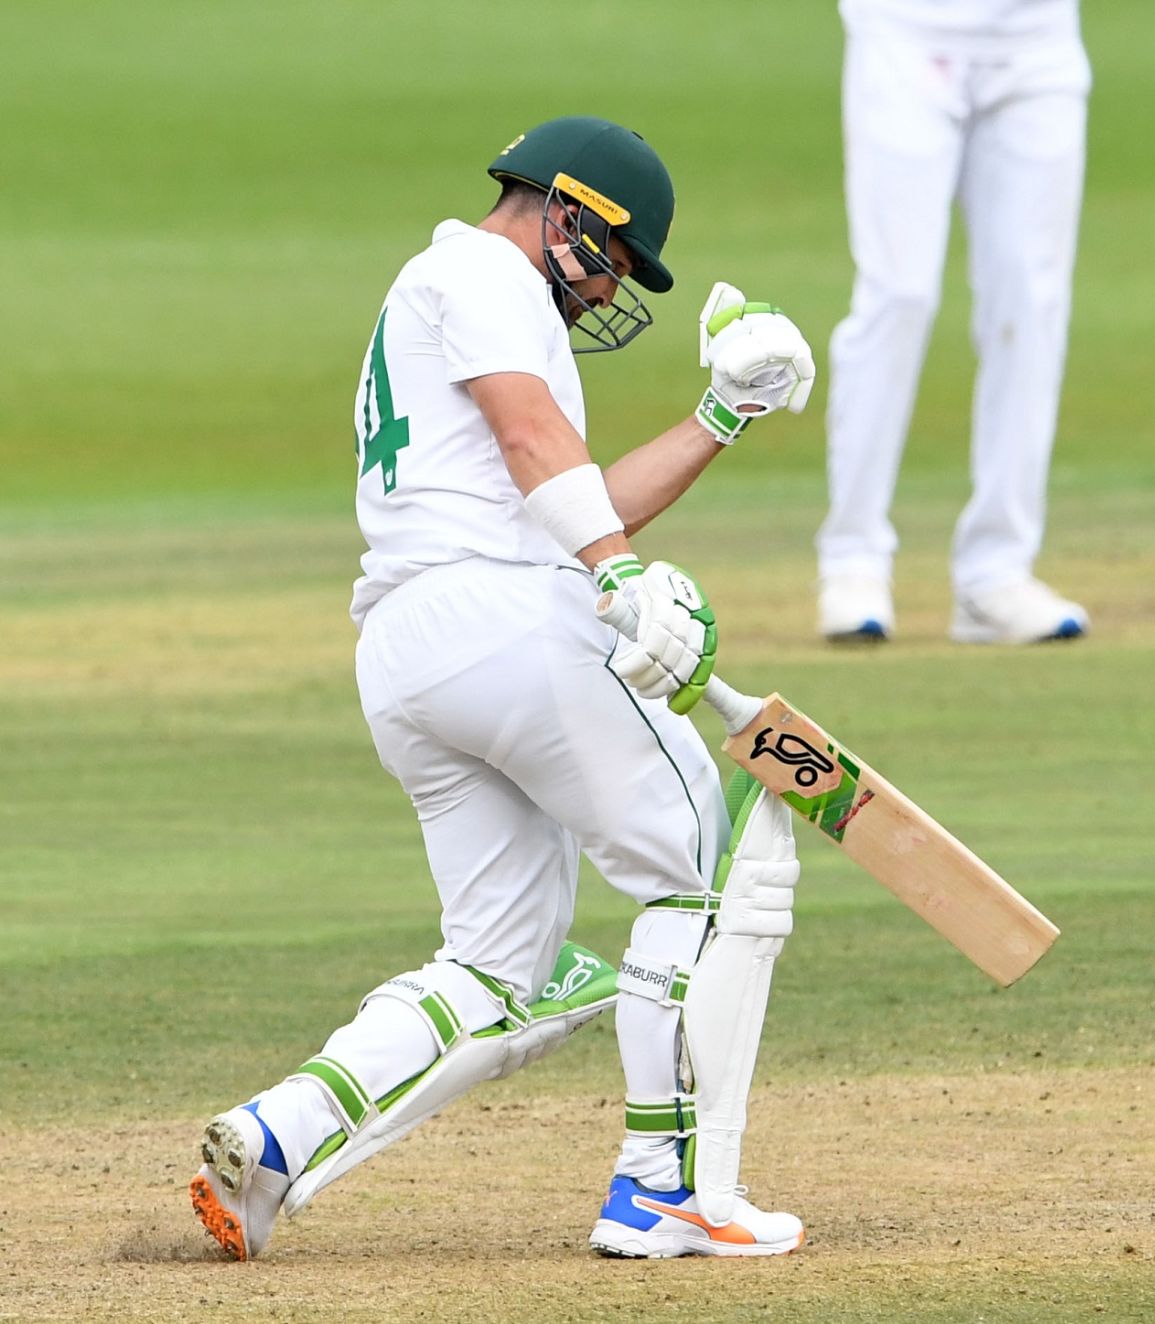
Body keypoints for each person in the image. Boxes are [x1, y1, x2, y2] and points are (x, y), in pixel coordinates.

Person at [189, 115, 816, 1262]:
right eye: (615, 257)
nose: (611, 288)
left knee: (495, 960)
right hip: (504, 624)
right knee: (698, 873)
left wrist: (720, 414)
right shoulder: (479, 271)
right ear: (565, 207)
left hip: (410, 657)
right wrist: (615, 577)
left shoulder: (454, 295)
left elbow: (568, 493)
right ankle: (663, 1187)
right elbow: (534, 443)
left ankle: (280, 1132)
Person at [816, 0, 1092, 644]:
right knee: (900, 292)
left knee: (1030, 303)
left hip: (1038, 38)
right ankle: (853, 560)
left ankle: (997, 572)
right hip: (906, 31)